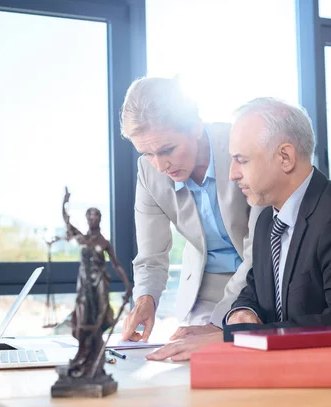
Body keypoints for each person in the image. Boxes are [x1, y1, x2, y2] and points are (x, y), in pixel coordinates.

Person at [148, 97, 331, 361]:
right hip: (297, 379)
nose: (232, 174)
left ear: (285, 157)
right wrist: (241, 313)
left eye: (242, 160)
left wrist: (234, 338)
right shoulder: (266, 221)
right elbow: (254, 290)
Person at [119, 77, 262, 349]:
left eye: (168, 149)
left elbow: (260, 249)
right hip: (203, 292)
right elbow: (151, 255)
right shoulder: (149, 172)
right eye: (147, 153)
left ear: (196, 127)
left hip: (262, 281)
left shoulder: (240, 146)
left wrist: (219, 324)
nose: (161, 165)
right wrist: (145, 299)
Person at [62, 188, 132, 378]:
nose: (93, 219)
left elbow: (116, 265)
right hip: (84, 284)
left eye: (96, 216)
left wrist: (128, 286)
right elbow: (67, 222)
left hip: (100, 283)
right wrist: (65, 203)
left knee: (98, 320)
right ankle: (82, 355)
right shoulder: (82, 238)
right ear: (87, 219)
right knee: (82, 318)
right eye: (90, 216)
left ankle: (94, 359)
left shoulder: (104, 242)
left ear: (100, 219)